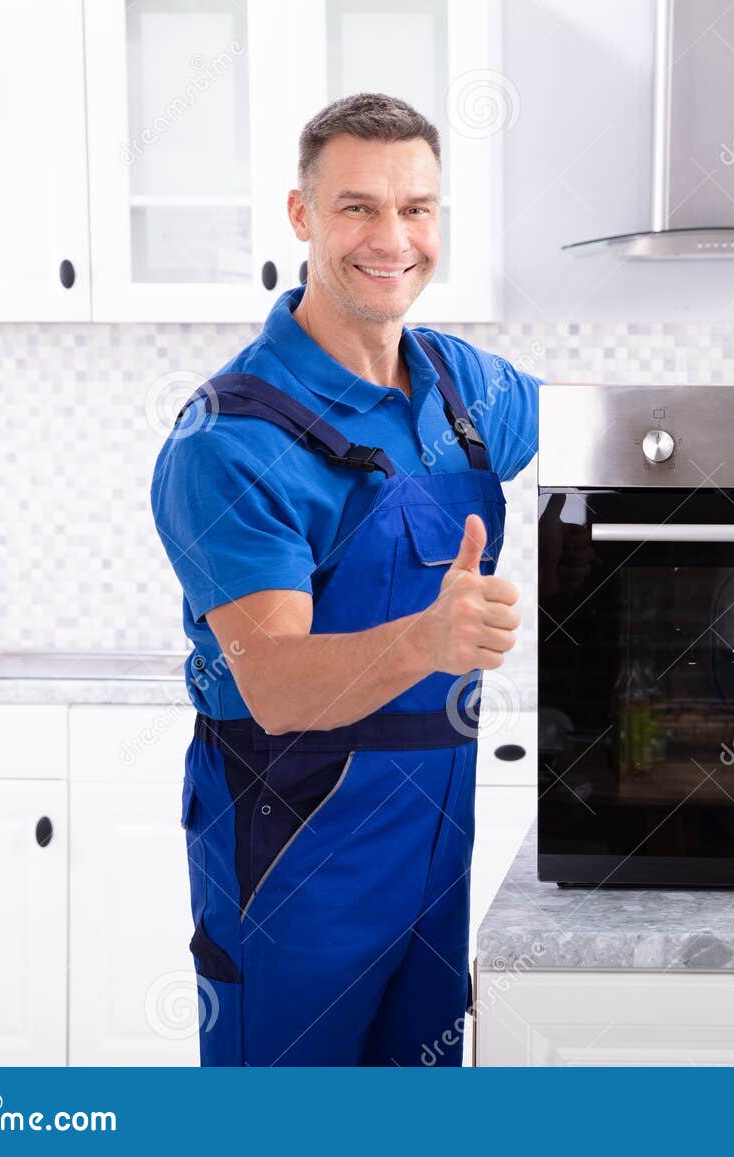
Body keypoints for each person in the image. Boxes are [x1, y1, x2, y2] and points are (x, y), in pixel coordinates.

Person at [149, 93, 539, 1066]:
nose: (392, 237)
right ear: (301, 215)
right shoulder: (233, 440)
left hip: (433, 856)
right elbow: (275, 683)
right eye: (358, 206)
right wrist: (427, 638)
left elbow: (619, 434)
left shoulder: (462, 388)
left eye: (416, 208)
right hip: (294, 873)